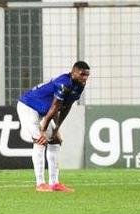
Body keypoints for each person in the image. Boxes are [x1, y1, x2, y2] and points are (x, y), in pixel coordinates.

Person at [16, 61, 90, 193]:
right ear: (73, 72)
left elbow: (65, 107)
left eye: (87, 75)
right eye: (82, 74)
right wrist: (43, 130)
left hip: (43, 111)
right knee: (40, 140)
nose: (85, 78)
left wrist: (56, 129)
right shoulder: (63, 83)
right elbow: (54, 107)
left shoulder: (80, 85)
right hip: (28, 106)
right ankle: (40, 184)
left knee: (55, 141)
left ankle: (54, 183)